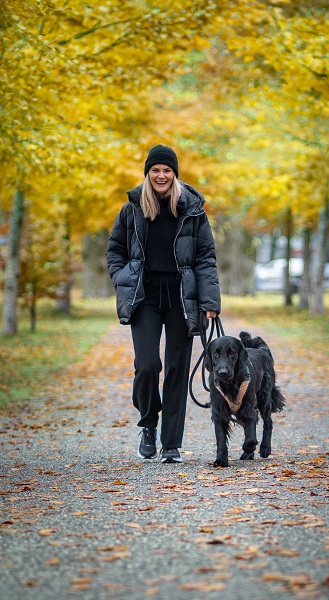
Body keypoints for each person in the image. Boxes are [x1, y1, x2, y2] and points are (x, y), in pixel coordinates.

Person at [106, 145, 221, 463]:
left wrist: (209, 301)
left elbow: (205, 257)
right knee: (146, 366)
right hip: (145, 297)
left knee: (175, 369)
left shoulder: (193, 210)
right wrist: (122, 276)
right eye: (155, 170)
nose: (161, 175)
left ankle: (171, 443)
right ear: (147, 173)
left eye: (167, 170)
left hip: (181, 299)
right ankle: (148, 424)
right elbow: (114, 249)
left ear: (175, 174)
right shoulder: (131, 209)